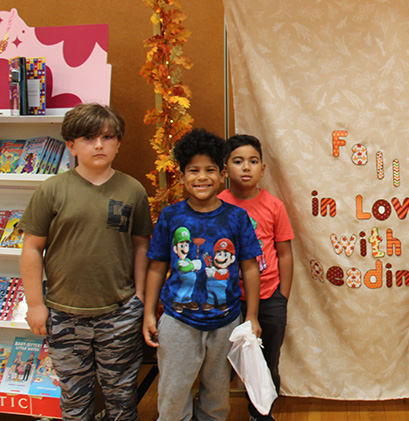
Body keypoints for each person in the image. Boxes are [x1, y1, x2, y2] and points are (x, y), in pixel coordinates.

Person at [19, 103, 152, 420]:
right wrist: (36, 305)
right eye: (89, 138)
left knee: (121, 397)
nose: (98, 145)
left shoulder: (132, 190)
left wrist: (140, 297)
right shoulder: (52, 190)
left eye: (107, 137)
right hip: (64, 314)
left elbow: (141, 245)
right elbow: (31, 249)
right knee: (75, 399)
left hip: (119, 312)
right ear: (71, 145)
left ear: (118, 143)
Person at [143, 128, 263, 421]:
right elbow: (157, 265)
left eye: (210, 169)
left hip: (225, 320)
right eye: (193, 170)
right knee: (173, 393)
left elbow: (249, 266)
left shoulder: (236, 217)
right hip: (178, 320)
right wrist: (148, 312)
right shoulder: (171, 216)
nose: (202, 177)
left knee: (217, 395)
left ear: (222, 174)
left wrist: (252, 316)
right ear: (182, 176)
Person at [218, 134, 295, 421]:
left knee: (266, 361)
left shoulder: (274, 206)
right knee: (219, 361)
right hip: (227, 298)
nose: (246, 167)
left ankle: (260, 413)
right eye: (238, 161)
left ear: (263, 168)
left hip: (269, 296)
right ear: (225, 169)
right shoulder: (217, 204)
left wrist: (282, 296)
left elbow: (284, 252)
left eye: (253, 161)